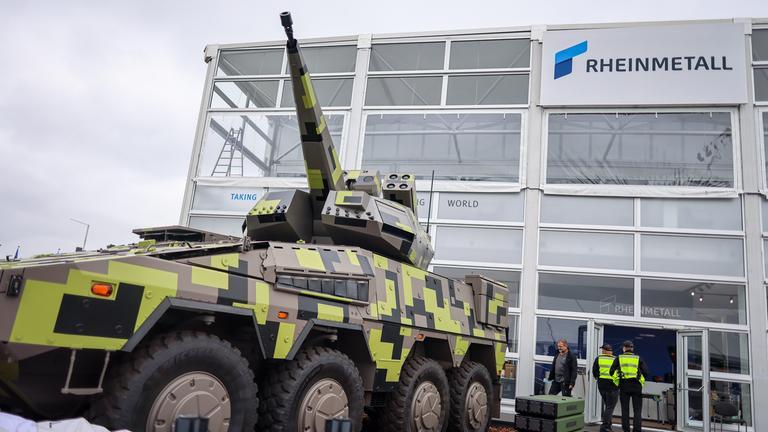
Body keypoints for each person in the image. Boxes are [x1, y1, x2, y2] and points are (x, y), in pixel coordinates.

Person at [610, 340, 650, 432]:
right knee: (637, 410)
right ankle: (637, 430)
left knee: (625, 410)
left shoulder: (619, 358)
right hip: (636, 386)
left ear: (624, 348)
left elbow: (611, 372)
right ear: (632, 348)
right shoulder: (638, 358)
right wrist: (640, 377)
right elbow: (647, 372)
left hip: (624, 386)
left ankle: (626, 430)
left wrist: (618, 378)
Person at [592, 343, 619, 432]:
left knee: (608, 406)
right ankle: (605, 427)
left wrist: (598, 378)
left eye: (602, 349)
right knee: (610, 407)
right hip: (612, 385)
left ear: (605, 350)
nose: (602, 351)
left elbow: (594, 371)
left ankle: (608, 425)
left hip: (602, 385)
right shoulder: (616, 359)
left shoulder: (599, 358)